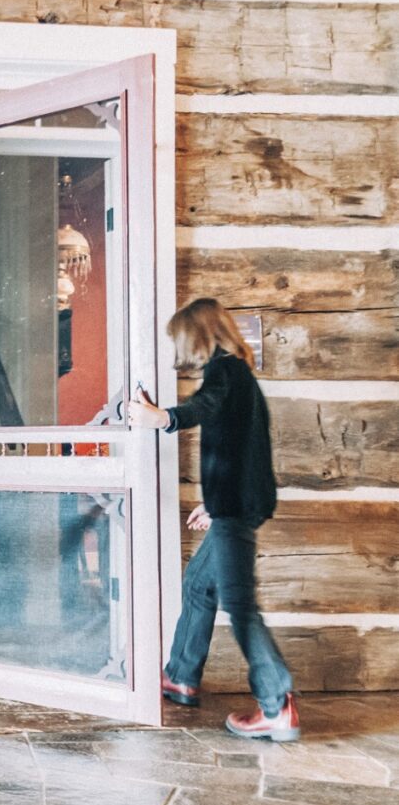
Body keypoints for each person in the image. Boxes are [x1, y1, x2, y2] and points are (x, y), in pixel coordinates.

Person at [128, 298, 299, 742]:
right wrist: (216, 500)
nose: (179, 346)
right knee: (200, 585)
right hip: (235, 504)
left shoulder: (226, 371)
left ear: (197, 333)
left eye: (180, 337)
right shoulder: (239, 376)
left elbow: (204, 406)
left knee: (241, 607)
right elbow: (241, 449)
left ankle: (276, 705)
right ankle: (181, 677)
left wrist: (161, 418)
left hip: (236, 509)